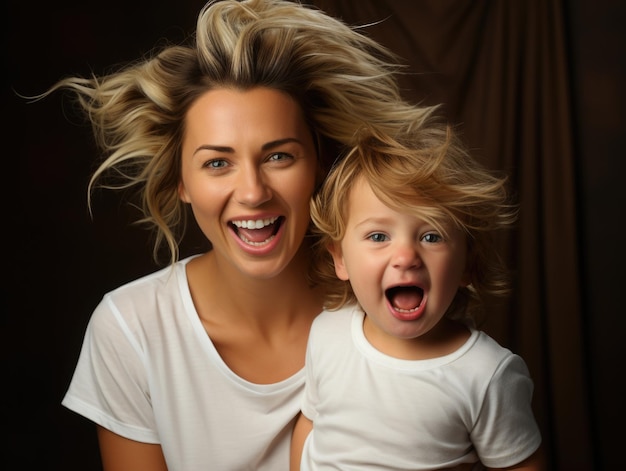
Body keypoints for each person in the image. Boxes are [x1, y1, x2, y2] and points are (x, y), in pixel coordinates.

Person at [35, 0, 432, 469]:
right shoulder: (132, 330)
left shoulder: (392, 303)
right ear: (181, 181)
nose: (252, 192)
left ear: (319, 165)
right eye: (217, 163)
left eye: (279, 156)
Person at [290, 119, 544, 470]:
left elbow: (522, 464)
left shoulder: (485, 374)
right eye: (378, 237)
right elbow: (311, 424)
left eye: (431, 236)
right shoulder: (327, 334)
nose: (406, 257)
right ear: (340, 259)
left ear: (468, 265)